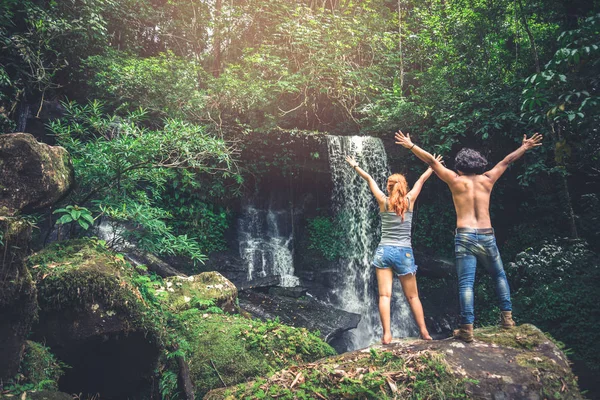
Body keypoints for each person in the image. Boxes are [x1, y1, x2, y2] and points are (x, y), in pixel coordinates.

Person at [394, 130, 543, 342]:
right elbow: (507, 160)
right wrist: (525, 146)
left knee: (466, 283)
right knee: (499, 275)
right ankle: (508, 319)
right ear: (479, 164)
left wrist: (410, 145)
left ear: (460, 166)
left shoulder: (455, 181)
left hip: (464, 236)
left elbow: (431, 162)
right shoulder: (488, 179)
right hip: (486, 234)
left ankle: (467, 328)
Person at [345, 154, 441, 344]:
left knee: (384, 295)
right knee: (413, 296)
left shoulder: (383, 201)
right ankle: (424, 332)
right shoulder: (410, 200)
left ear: (388, 187)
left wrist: (355, 165)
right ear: (404, 186)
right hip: (404, 253)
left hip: (384, 251)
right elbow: (421, 180)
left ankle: (387, 334)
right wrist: (433, 166)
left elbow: (369, 179)